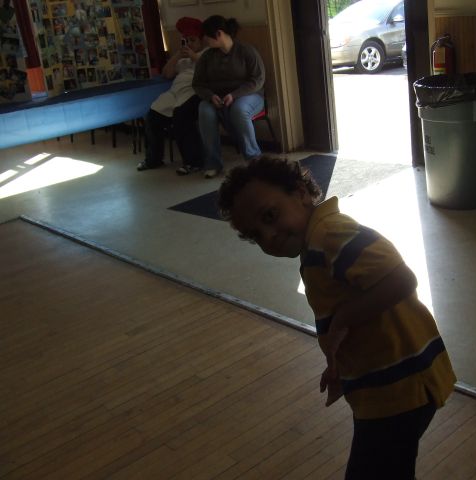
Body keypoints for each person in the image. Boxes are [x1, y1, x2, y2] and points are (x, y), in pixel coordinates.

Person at [217, 157, 457, 480]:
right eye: (256, 235)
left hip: (400, 387)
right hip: (385, 384)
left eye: (270, 216)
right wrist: (342, 366)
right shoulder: (315, 245)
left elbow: (401, 280)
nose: (269, 236)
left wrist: (343, 318)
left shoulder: (330, 234)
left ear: (301, 193)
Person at [192, 15, 265, 179]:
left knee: (239, 110)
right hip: (217, 98)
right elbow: (198, 83)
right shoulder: (207, 57)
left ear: (219, 34)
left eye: (207, 37)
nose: (205, 41)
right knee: (204, 110)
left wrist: (234, 95)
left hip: (249, 95)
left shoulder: (246, 51)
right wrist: (210, 96)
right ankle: (213, 163)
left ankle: (254, 160)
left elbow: (258, 80)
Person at [137, 17, 206, 175]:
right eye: (186, 40)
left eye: (193, 40)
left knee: (181, 116)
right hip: (175, 93)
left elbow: (208, 68)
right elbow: (167, 74)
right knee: (152, 115)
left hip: (194, 93)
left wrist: (193, 55)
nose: (189, 43)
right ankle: (153, 159)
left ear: (201, 41)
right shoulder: (182, 60)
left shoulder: (206, 54)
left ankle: (193, 162)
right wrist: (177, 56)